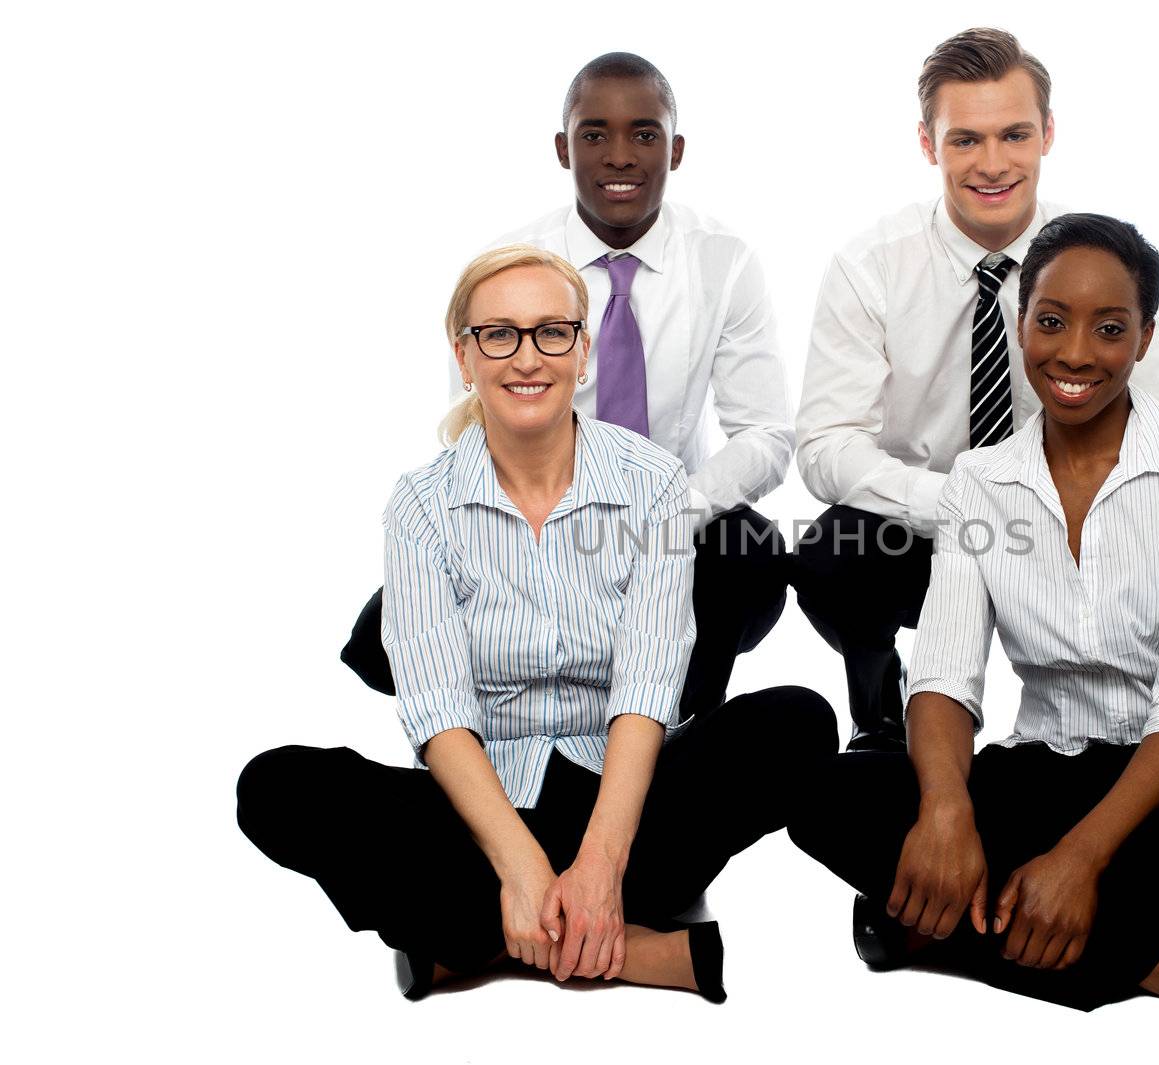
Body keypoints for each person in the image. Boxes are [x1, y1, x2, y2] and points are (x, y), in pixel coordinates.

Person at [787, 214, 1159, 1030]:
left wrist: (1081, 861)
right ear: (1022, 324)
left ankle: (945, 932)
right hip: (1036, 774)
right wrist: (947, 811)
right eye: (1051, 321)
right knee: (822, 788)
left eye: (1109, 327)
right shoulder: (981, 481)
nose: (1076, 353)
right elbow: (945, 674)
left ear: (1145, 338)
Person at [240, 246, 836, 1001]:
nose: (528, 357)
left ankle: (473, 944)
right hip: (480, 813)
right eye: (500, 334)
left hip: (622, 792)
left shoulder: (651, 481)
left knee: (800, 719)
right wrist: (522, 868)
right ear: (464, 354)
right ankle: (635, 949)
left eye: (551, 332)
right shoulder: (421, 506)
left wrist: (598, 862)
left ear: (582, 351)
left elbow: (649, 687)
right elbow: (437, 708)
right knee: (276, 785)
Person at [341, 52, 792, 722]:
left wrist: (670, 510)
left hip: (673, 532)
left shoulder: (722, 261)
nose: (619, 156)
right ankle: (510, 734)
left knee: (748, 551)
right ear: (562, 148)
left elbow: (766, 433)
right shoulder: (512, 265)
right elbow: (474, 423)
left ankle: (679, 730)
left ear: (677, 150)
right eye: (593, 135)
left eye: (645, 134)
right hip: (539, 518)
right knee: (385, 635)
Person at [792, 28, 1159, 751]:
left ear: (1047, 133)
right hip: (926, 525)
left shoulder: (1103, 263)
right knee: (830, 554)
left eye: (1013, 135)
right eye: (965, 140)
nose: (992, 165)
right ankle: (883, 706)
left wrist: (1082, 514)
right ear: (928, 144)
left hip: (1071, 530)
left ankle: (1113, 730)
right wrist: (954, 500)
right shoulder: (870, 266)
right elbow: (826, 445)